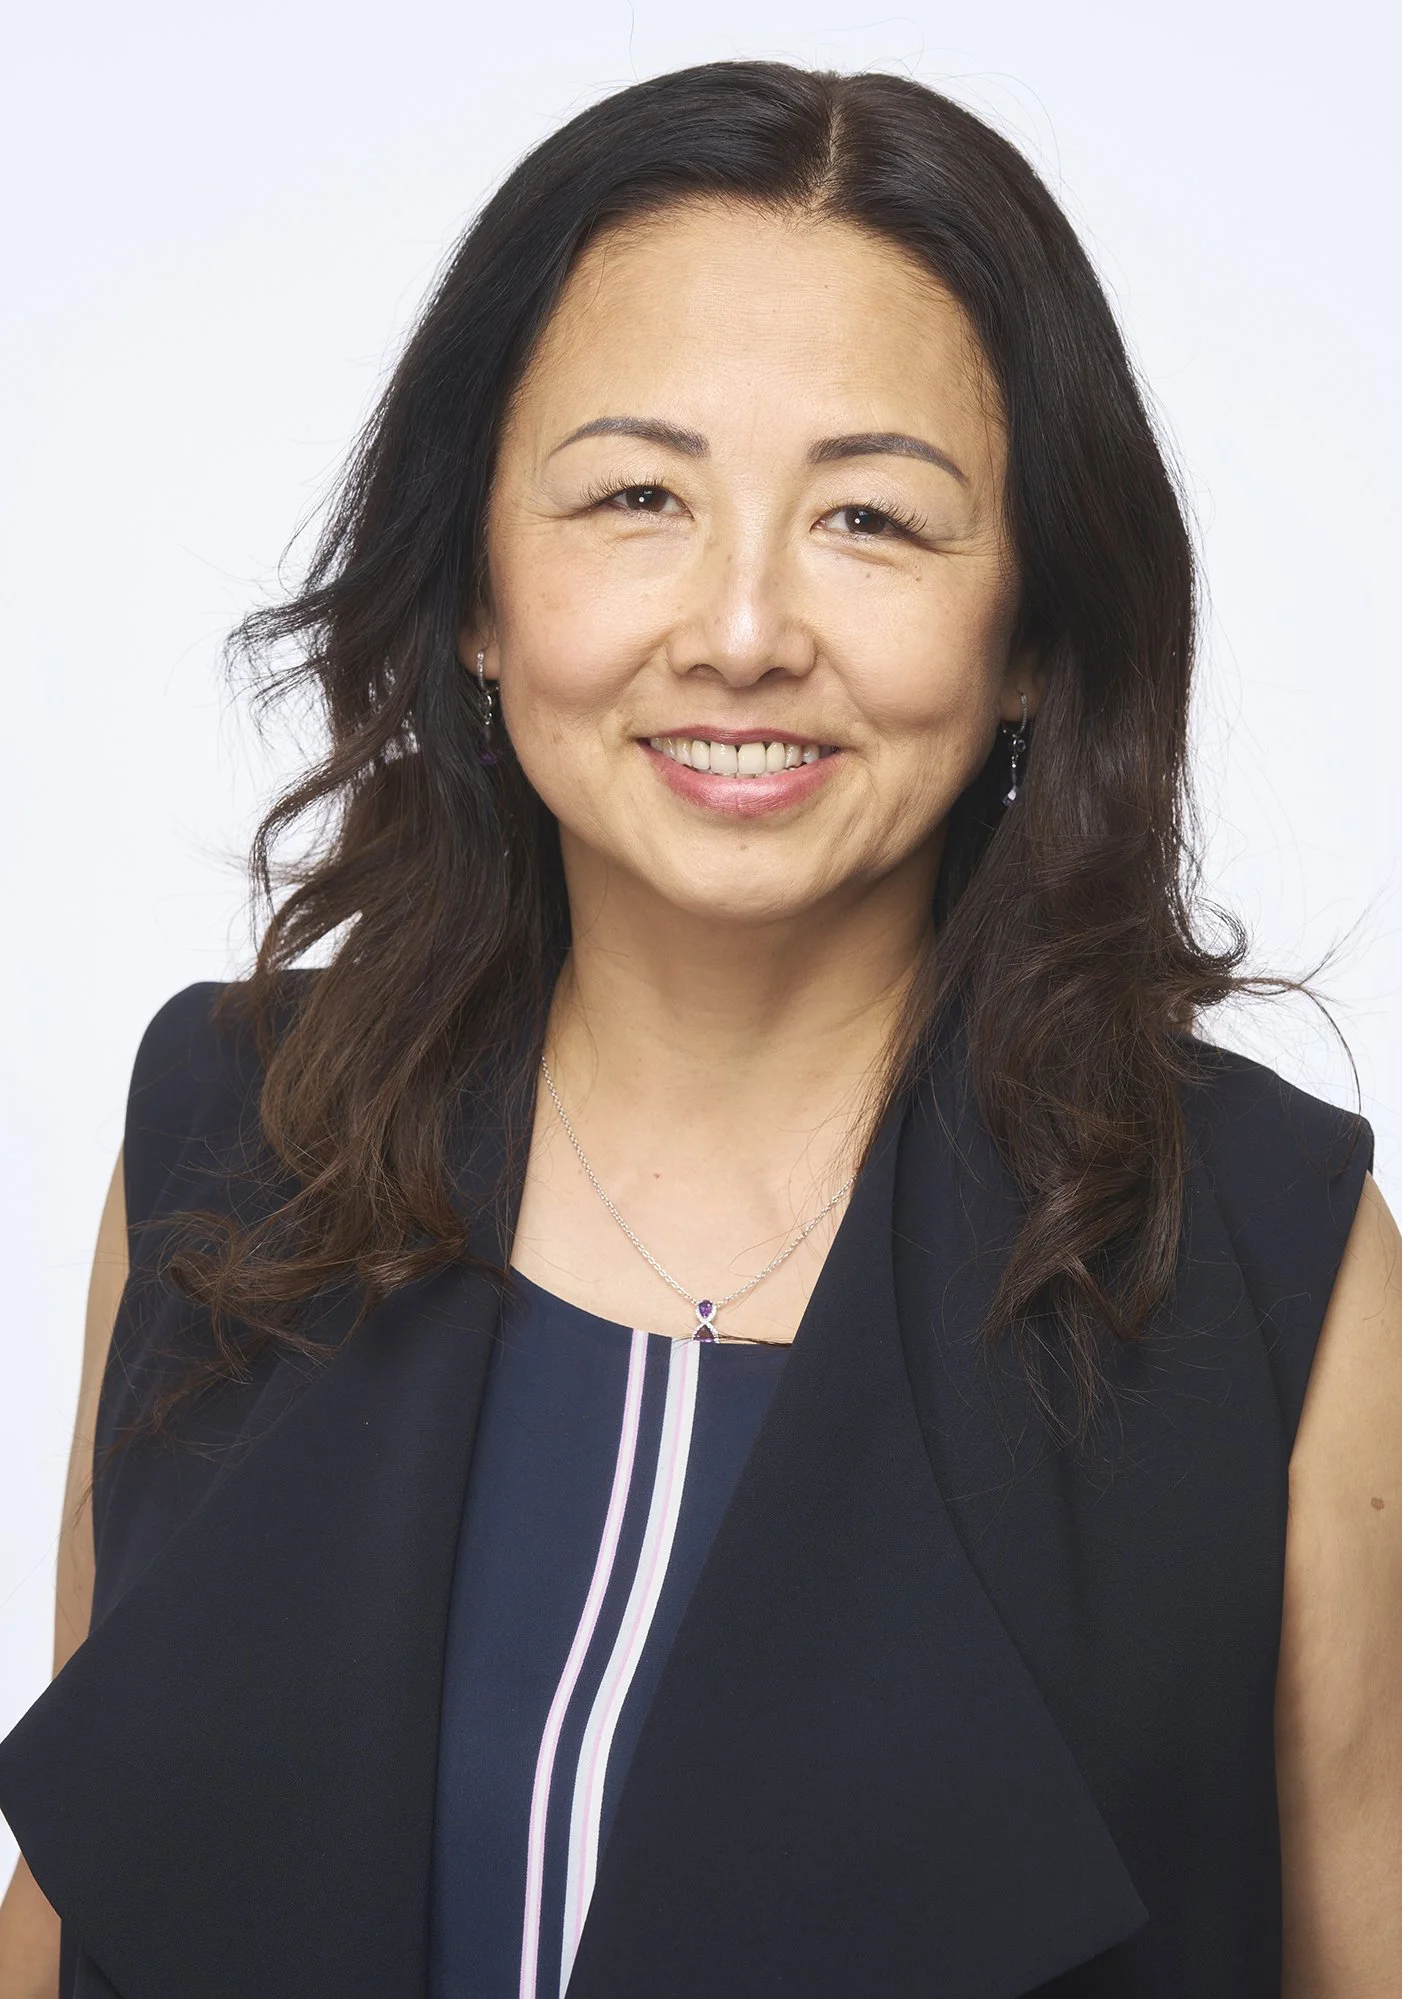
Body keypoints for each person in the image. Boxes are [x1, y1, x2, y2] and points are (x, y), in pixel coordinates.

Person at [0, 59, 1397, 1999]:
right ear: (477, 592)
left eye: (872, 521)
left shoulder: (1254, 1248)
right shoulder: (234, 1137)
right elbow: (78, 1909)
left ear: (1028, 638)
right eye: (636, 496)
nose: (740, 629)